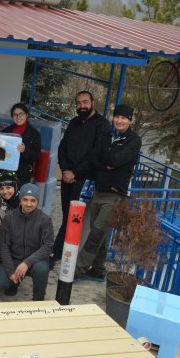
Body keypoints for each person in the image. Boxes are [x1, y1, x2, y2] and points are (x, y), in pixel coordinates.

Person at [75, 104, 142, 281]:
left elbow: (116, 160)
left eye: (123, 118)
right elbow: (94, 158)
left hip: (115, 195)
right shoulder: (106, 136)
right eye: (117, 117)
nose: (119, 121)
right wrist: (108, 164)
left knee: (96, 234)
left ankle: (77, 269)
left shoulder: (134, 140)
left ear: (130, 120)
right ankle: (98, 270)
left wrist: (106, 160)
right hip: (99, 190)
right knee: (100, 234)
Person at [53, 91, 112, 263]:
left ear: (93, 102)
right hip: (67, 177)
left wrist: (75, 173)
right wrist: (65, 170)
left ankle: (59, 253)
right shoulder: (74, 122)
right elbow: (62, 147)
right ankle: (63, 252)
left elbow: (96, 155)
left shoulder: (103, 125)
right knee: (66, 214)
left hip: (86, 179)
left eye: (85, 102)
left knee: (74, 217)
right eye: (78, 103)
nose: (82, 106)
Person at [0, 183, 54, 301]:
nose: (29, 204)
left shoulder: (45, 220)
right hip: (15, 259)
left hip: (35, 261)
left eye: (33, 200)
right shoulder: (9, 218)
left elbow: (48, 246)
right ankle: (14, 283)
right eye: (25, 199)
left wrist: (26, 263)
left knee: (42, 269)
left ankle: (38, 299)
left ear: (37, 202)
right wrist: (10, 271)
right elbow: (3, 245)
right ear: (20, 200)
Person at [2, 102, 42, 186]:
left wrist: (25, 150)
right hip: (5, 171)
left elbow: (35, 156)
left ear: (26, 115)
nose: (18, 117)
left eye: (21, 114)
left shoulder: (34, 134)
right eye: (15, 114)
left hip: (23, 175)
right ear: (12, 116)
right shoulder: (6, 131)